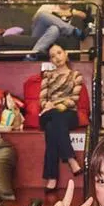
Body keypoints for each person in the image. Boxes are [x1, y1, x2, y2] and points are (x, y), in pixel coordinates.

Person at [38, 45, 85, 191]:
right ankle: (71, 159)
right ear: (51, 60)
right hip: (48, 113)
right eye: (53, 56)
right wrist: (49, 106)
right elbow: (42, 100)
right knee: (54, 119)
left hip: (69, 114)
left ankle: (52, 178)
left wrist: (55, 104)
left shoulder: (76, 75)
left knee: (52, 128)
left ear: (66, 54)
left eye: (59, 53)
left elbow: (73, 99)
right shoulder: (47, 75)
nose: (57, 57)